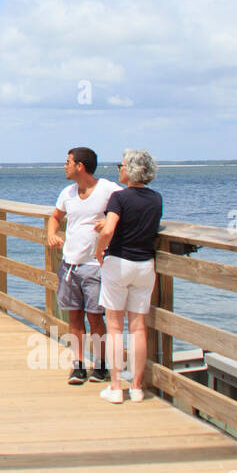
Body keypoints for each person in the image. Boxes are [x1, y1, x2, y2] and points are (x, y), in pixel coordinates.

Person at [95, 149, 164, 404]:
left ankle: (115, 387)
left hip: (119, 263)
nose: (118, 169)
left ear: (131, 169)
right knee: (138, 327)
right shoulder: (156, 199)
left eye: (120, 165)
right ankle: (136, 387)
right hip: (145, 265)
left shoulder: (118, 197)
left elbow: (110, 228)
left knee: (114, 326)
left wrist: (98, 250)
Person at [47, 147, 120, 385]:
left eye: (68, 162)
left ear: (80, 166)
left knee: (96, 317)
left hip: (94, 266)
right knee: (74, 316)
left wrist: (109, 220)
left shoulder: (108, 189)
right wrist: (51, 234)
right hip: (70, 264)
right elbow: (55, 216)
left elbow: (128, 207)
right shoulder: (67, 192)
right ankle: (78, 366)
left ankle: (100, 366)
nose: (64, 166)